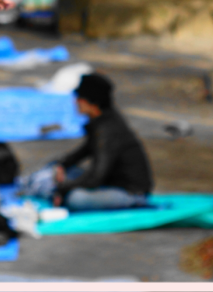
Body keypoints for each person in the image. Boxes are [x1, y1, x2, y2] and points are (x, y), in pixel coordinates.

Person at [52, 74, 154, 211]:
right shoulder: (102, 121)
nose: (75, 102)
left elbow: (95, 178)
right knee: (65, 175)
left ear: (92, 103)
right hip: (110, 183)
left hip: (130, 192)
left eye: (79, 98)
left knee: (75, 199)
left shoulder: (107, 131)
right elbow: (85, 150)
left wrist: (63, 189)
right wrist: (62, 165)